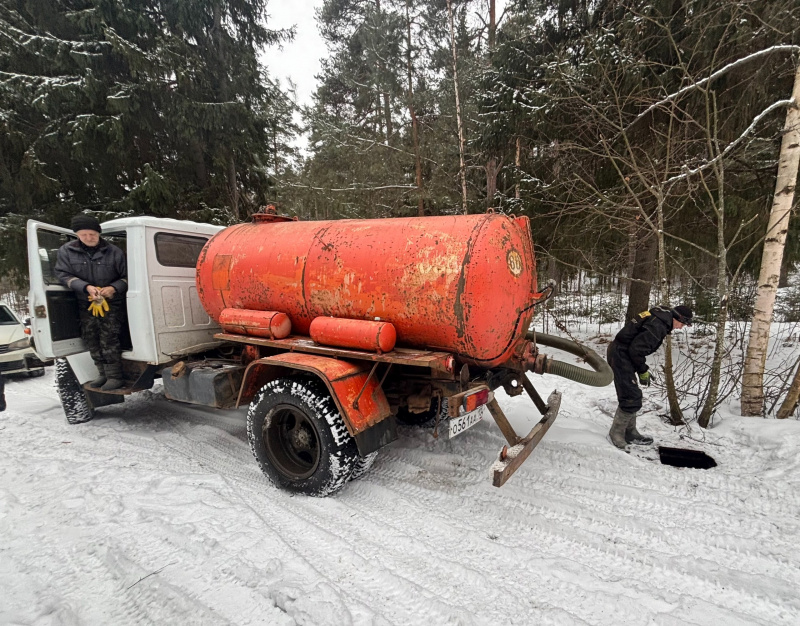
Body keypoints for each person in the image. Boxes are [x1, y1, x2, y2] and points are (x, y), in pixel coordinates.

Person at [55, 214, 128, 391]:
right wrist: (85, 287)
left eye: (92, 234)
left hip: (111, 303)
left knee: (109, 337)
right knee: (91, 338)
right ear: (77, 235)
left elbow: (128, 276)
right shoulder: (67, 251)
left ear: (99, 234)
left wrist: (114, 288)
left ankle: (115, 376)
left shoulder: (114, 252)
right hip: (85, 302)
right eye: (84, 234)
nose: (88, 238)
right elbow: (62, 274)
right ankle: (102, 374)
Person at [606, 305, 693, 449]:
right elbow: (636, 350)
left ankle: (630, 432)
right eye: (682, 323)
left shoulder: (660, 317)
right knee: (631, 396)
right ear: (677, 318)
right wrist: (642, 370)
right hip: (621, 355)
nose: (681, 327)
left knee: (632, 394)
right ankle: (616, 433)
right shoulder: (658, 325)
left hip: (624, 353)